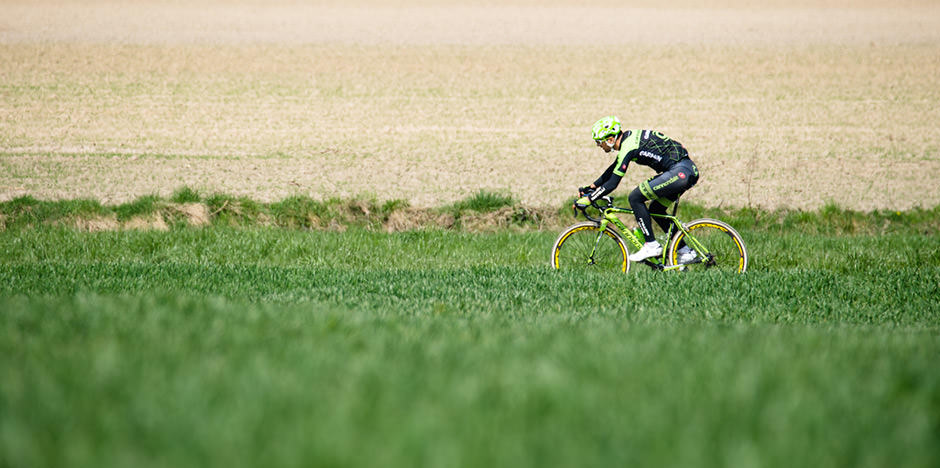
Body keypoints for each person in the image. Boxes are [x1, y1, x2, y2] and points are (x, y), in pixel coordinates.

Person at [574, 116, 700, 262]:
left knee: (635, 197)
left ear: (610, 139)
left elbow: (613, 183)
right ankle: (685, 251)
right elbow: (613, 169)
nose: (598, 145)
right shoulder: (629, 140)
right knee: (656, 210)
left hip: (680, 172)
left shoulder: (628, 147)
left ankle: (651, 245)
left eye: (599, 142)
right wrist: (592, 187)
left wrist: (589, 199)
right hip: (685, 171)